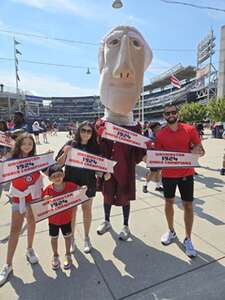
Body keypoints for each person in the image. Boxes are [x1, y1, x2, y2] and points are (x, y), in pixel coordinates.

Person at [96, 26, 152, 240]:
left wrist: (151, 155)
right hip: (107, 169)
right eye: (114, 44)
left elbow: (140, 154)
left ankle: (126, 225)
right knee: (108, 196)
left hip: (126, 169)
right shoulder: (100, 125)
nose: (124, 68)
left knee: (126, 197)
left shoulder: (135, 129)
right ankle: (107, 220)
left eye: (135, 45)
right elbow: (91, 148)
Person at [155, 103, 205, 258]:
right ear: (164, 116)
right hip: (169, 175)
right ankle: (171, 231)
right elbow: (157, 155)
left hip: (186, 174)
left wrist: (197, 151)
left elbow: (201, 150)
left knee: (188, 206)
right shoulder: (161, 134)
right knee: (168, 203)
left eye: (173, 112)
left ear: (178, 114)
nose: (171, 115)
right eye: (167, 113)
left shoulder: (189, 130)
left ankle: (188, 238)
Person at [0, 133, 42, 286]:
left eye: (30, 144)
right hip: (18, 198)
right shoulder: (11, 160)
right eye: (24, 143)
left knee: (32, 223)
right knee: (14, 230)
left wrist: (57, 159)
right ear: (18, 144)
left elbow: (51, 172)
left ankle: (29, 249)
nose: (27, 146)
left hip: (33, 197)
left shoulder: (37, 160)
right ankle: (7, 265)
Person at [56, 121, 100, 253]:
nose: (86, 133)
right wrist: (65, 153)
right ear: (78, 131)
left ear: (92, 133)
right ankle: (72, 239)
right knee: (72, 211)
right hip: (71, 182)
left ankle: (86, 237)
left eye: (89, 131)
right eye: (83, 130)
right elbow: (57, 164)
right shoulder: (70, 144)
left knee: (87, 210)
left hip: (88, 183)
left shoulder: (95, 147)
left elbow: (99, 168)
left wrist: (104, 174)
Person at [43, 164, 86, 270]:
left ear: (63, 175)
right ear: (49, 179)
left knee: (67, 237)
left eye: (59, 175)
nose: (57, 178)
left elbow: (79, 189)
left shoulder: (70, 185)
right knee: (54, 238)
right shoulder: (48, 189)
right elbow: (42, 203)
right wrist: (45, 199)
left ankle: (68, 254)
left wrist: (83, 188)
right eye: (54, 176)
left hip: (67, 219)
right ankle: (55, 255)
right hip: (53, 220)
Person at [143, 122, 164, 193]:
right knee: (152, 173)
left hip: (160, 157)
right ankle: (145, 185)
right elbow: (148, 148)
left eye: (160, 127)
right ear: (154, 129)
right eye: (158, 127)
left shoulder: (161, 135)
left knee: (158, 172)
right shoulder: (151, 137)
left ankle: (158, 186)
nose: (160, 128)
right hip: (153, 158)